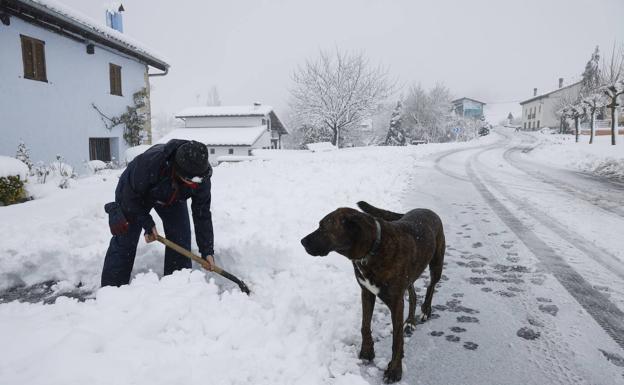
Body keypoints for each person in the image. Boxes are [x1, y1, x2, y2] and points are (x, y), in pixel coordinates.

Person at [101, 139, 214, 287]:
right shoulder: (149, 164)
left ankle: (176, 287)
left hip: (172, 197)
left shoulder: (201, 177)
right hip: (135, 194)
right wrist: (147, 223)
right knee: (125, 238)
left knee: (180, 238)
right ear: (177, 170)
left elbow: (202, 214)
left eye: (197, 181)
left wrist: (207, 251)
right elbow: (129, 198)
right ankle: (111, 290)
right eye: (191, 181)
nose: (195, 185)